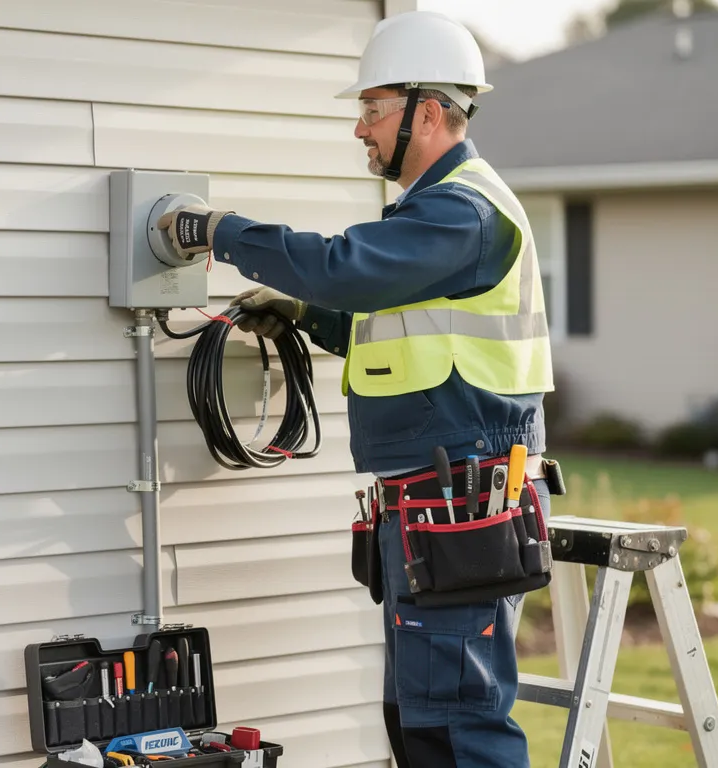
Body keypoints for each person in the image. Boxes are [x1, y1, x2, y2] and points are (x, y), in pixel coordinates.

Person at [157, 10, 555, 768]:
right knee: (419, 722)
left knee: (458, 727)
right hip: (439, 498)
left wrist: (219, 232)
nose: (361, 129)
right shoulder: (428, 214)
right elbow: (389, 324)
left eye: (373, 109)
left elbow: (341, 264)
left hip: (464, 496)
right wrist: (306, 314)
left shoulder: (461, 212)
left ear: (429, 112)